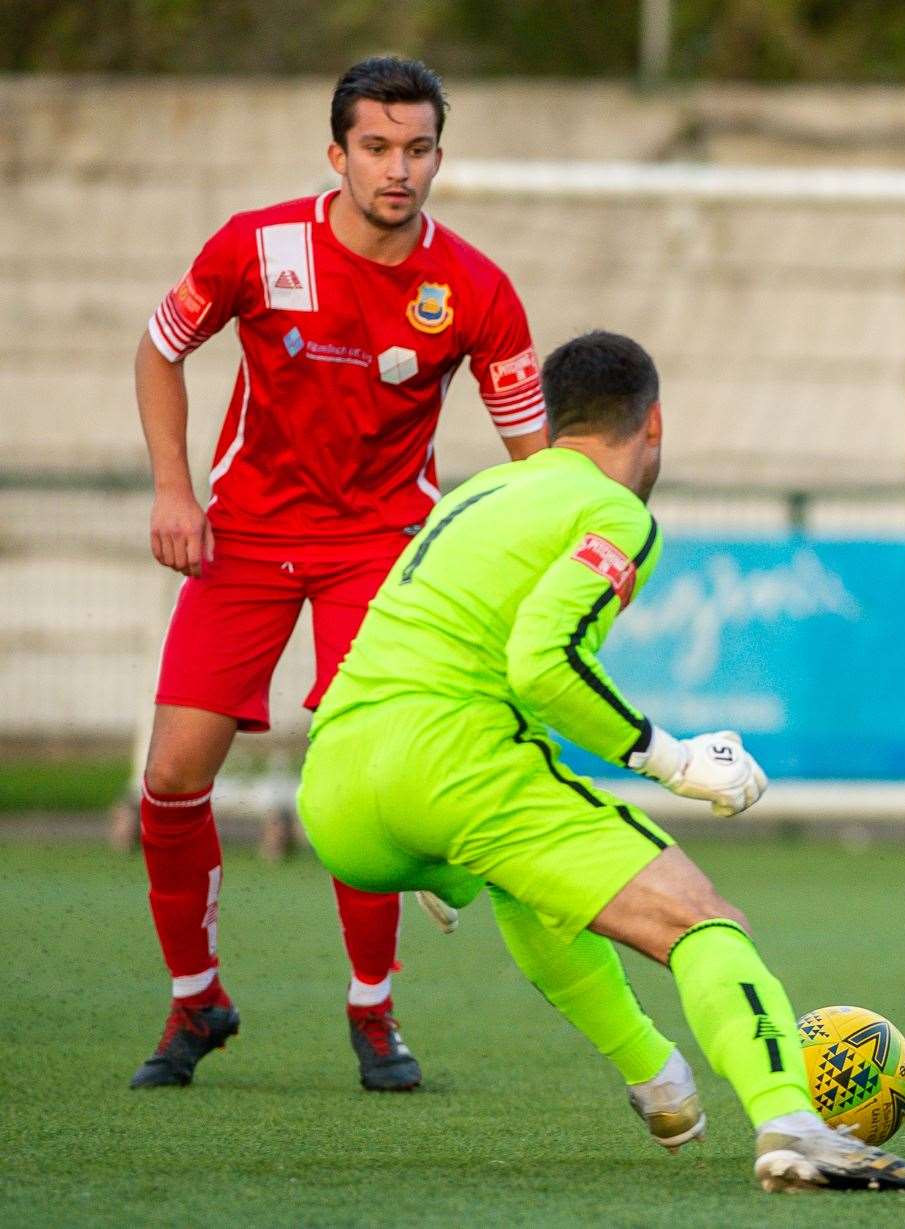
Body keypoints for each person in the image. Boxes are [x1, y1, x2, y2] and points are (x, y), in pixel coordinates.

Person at [295, 330, 905, 1194]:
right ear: (654, 424)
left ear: (553, 420)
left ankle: (658, 1078)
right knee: (703, 919)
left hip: (336, 785)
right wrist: (672, 759)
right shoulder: (618, 514)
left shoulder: (477, 490)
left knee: (524, 876)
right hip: (450, 764)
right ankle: (795, 1126)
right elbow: (542, 659)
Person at [131, 56, 551, 1091]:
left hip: (381, 549)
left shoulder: (478, 290)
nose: (396, 168)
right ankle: (198, 1000)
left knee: (357, 782)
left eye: (416, 149)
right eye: (376, 147)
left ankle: (374, 1010)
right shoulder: (256, 246)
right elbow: (157, 348)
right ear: (337, 154)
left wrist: (553, 567)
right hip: (242, 538)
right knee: (172, 779)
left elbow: (536, 465)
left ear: (438, 156)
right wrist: (174, 492)